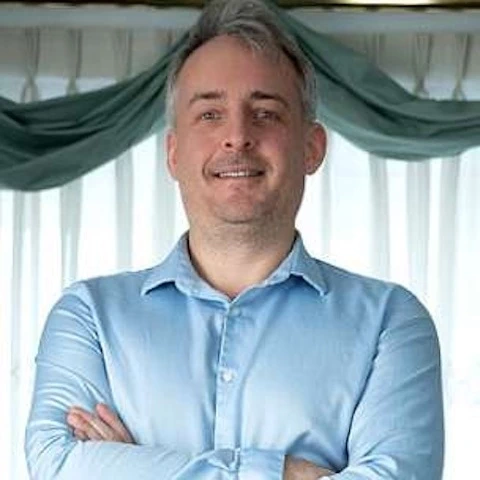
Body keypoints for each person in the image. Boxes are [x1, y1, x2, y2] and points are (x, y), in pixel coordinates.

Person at [25, 0, 444, 479]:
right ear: (173, 153)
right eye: (209, 114)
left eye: (265, 112)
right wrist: (285, 472)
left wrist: (132, 465)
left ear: (312, 148)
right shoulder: (89, 317)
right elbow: (58, 465)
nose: (238, 136)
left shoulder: (390, 322)